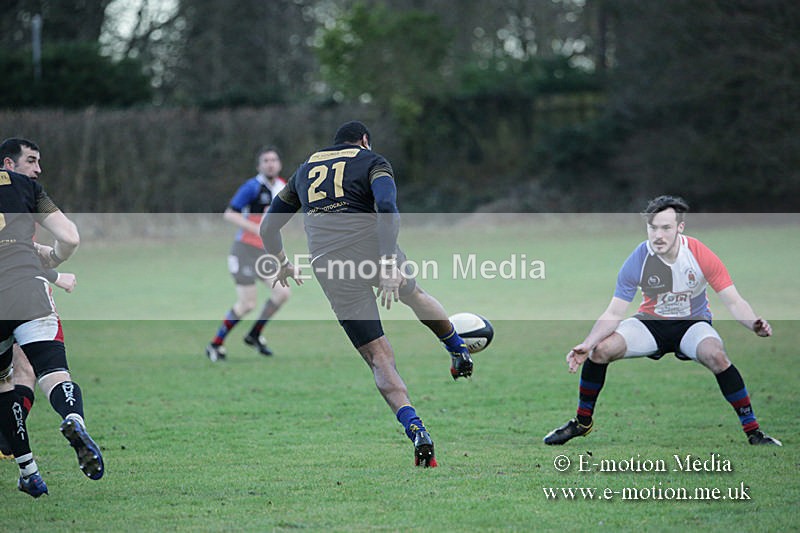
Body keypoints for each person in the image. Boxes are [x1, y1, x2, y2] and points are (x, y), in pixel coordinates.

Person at [260, 121, 474, 467]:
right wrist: (389, 263)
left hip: (330, 266)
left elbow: (268, 226)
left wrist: (283, 262)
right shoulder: (372, 161)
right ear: (363, 140)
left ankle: (416, 428)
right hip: (371, 250)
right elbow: (387, 207)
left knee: (379, 358)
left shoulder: (304, 170)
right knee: (414, 294)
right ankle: (457, 348)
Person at [544, 195, 781, 446]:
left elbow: (733, 301)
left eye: (666, 227)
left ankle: (753, 432)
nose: (658, 235)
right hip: (651, 324)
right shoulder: (640, 257)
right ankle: (582, 423)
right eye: (653, 227)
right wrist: (588, 343)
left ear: (680, 227)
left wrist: (753, 322)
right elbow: (614, 312)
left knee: (716, 355)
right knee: (601, 351)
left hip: (692, 325)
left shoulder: (699, 254)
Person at [0, 163, 104, 498]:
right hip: (30, 290)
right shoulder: (25, 186)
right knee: (53, 371)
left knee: (4, 383)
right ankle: (74, 418)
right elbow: (70, 237)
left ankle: (29, 472)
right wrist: (54, 264)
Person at [0, 138, 77, 460]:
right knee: (33, 369)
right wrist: (55, 271)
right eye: (30, 160)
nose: (37, 169)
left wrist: (37, 254)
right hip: (21, 290)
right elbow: (69, 237)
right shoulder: (24, 190)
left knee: (22, 370)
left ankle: (11, 448)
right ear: (8, 164)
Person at [206, 147, 291, 361]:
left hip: (263, 252)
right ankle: (215, 344)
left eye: (274, 160)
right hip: (243, 250)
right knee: (247, 304)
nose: (270, 164)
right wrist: (256, 229)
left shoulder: (283, 187)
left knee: (282, 293)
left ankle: (254, 334)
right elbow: (230, 214)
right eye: (266, 161)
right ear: (259, 166)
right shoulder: (252, 187)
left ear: (279, 164)